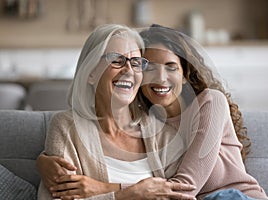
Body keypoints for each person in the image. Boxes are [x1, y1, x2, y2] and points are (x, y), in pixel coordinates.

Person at [37, 24, 268, 200]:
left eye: (171, 67)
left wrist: (108, 189)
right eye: (117, 60)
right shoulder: (156, 122)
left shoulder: (208, 103)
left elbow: (180, 190)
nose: (160, 78)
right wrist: (42, 160)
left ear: (185, 73)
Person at [37, 24, 196, 200]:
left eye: (136, 63)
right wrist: (128, 194)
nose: (128, 70)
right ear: (90, 72)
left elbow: (178, 195)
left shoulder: (164, 136)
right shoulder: (67, 127)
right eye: (116, 60)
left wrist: (109, 190)